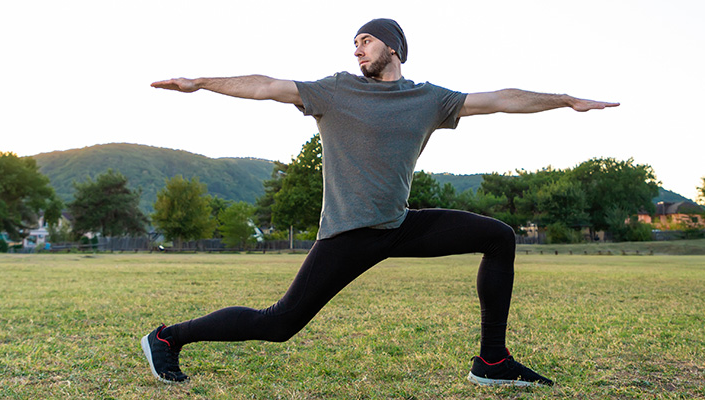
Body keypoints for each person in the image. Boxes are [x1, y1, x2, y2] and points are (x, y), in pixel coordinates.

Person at [141, 18, 618, 387]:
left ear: (393, 47)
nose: (357, 48)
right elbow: (266, 86)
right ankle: (168, 337)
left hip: (398, 224)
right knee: (279, 323)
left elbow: (500, 99)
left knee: (499, 237)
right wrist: (200, 82)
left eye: (366, 40)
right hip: (349, 232)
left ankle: (492, 360)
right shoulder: (335, 90)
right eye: (354, 43)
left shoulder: (429, 99)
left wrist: (565, 99)